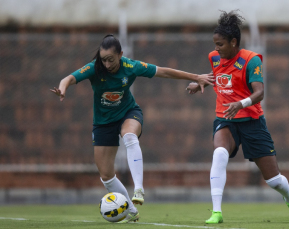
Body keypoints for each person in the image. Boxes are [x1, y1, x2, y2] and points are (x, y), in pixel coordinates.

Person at [50, 34, 214, 223]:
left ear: (120, 54)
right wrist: (63, 88)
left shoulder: (131, 66)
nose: (107, 64)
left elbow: (164, 72)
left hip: (129, 112)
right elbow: (69, 78)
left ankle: (138, 188)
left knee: (129, 136)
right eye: (103, 60)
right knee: (106, 175)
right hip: (103, 123)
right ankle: (131, 210)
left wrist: (196, 77)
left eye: (111, 59)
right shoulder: (94, 68)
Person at [186, 10, 289, 224]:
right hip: (226, 119)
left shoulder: (251, 60)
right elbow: (220, 77)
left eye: (220, 44)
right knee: (219, 153)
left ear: (234, 42)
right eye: (215, 44)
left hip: (252, 122)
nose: (216, 49)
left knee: (274, 180)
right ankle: (216, 212)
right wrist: (200, 83)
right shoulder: (214, 57)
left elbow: (260, 93)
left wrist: (241, 104)